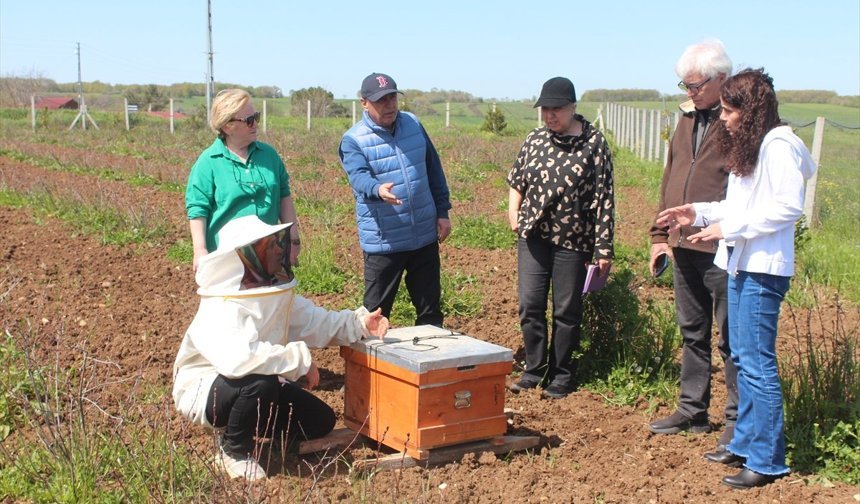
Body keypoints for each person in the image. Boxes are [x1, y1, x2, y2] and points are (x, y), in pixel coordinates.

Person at [657, 68, 816, 489]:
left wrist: (731, 230)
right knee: (744, 358)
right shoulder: (754, 147)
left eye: (729, 110)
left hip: (764, 268)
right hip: (742, 263)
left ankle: (767, 459)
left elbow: (787, 208)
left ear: (751, 110)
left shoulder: (779, 147)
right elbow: (739, 204)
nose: (723, 118)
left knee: (758, 364)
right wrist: (699, 213)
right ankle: (744, 442)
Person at [172, 215, 390, 481]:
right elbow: (239, 361)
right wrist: (300, 360)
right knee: (259, 383)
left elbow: (315, 322)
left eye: (278, 242)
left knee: (318, 421)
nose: (279, 249)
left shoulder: (272, 293)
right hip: (205, 390)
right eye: (270, 245)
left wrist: (360, 324)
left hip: (254, 379)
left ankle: (246, 426)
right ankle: (232, 451)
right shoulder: (222, 305)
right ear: (248, 255)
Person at [648, 40, 738, 448]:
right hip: (684, 243)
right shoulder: (686, 118)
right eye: (683, 85)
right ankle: (692, 409)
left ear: (721, 79)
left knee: (731, 339)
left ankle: (737, 420)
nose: (689, 92)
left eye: (696, 85)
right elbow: (670, 176)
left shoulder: (742, 121)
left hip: (722, 246)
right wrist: (659, 237)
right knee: (692, 331)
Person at [506, 77, 614, 399]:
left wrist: (604, 247)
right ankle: (534, 370)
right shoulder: (536, 139)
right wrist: (514, 212)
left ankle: (563, 374)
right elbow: (518, 179)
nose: (550, 116)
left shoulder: (594, 143)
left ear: (573, 107)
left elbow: (604, 197)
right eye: (545, 110)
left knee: (566, 309)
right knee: (530, 304)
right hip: (533, 236)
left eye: (556, 109)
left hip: (574, 239)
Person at [339, 72, 452, 327]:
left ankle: (430, 363)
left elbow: (434, 168)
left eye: (392, 98)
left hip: (423, 234)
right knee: (374, 315)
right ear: (364, 103)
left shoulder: (413, 124)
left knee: (430, 311)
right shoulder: (354, 139)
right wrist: (378, 189)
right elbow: (358, 176)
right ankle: (368, 366)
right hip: (385, 241)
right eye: (381, 100)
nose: (389, 105)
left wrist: (442, 211)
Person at [186, 88, 301, 272]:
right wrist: (200, 250)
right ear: (227, 126)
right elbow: (198, 209)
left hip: (268, 257)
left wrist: (293, 239)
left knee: (271, 300)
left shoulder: (269, 156)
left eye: (256, 117)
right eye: (248, 120)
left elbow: (284, 197)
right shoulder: (208, 162)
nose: (255, 124)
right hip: (226, 261)